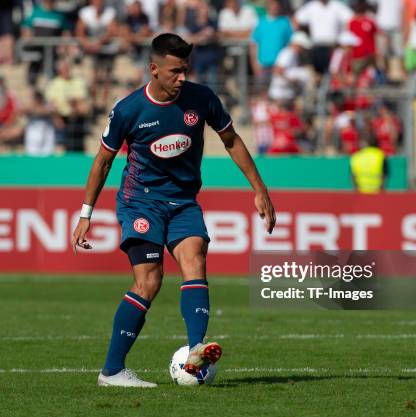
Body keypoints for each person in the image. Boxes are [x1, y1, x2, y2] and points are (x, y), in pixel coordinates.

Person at [71, 33, 276, 387]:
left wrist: (260, 189)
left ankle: (196, 352)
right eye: (175, 71)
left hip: (183, 200)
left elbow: (230, 140)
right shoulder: (129, 109)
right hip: (141, 201)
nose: (182, 78)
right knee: (149, 281)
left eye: (185, 70)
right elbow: (103, 161)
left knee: (195, 257)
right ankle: (112, 371)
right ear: (153, 69)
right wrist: (86, 213)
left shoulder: (202, 99)